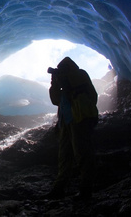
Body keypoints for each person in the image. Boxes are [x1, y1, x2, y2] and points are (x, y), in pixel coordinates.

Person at [47, 57, 98, 200]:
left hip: (80, 120)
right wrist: (54, 82)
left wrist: (64, 77)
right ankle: (59, 189)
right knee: (64, 157)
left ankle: (85, 190)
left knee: (83, 154)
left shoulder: (80, 75)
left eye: (63, 68)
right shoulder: (62, 82)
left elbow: (88, 94)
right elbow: (55, 100)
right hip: (66, 122)